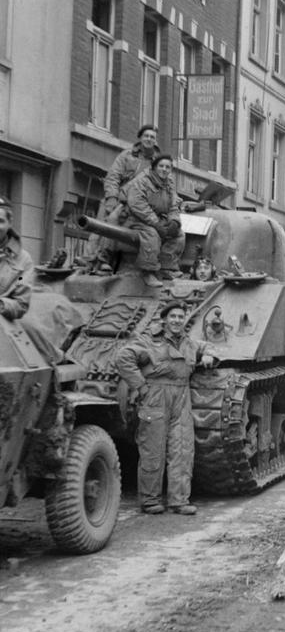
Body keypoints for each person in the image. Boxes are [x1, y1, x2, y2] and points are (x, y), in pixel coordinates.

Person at [116, 300, 214, 515]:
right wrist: (140, 386)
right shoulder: (149, 340)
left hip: (181, 396)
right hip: (155, 396)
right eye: (173, 317)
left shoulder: (189, 343)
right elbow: (123, 358)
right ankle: (150, 500)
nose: (177, 320)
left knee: (182, 449)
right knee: (153, 449)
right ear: (164, 320)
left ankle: (179, 501)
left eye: (181, 317)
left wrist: (207, 354)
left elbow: (206, 347)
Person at [88, 125, 164, 272]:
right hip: (121, 200)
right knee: (103, 224)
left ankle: (107, 258)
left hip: (142, 206)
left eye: (152, 137)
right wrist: (111, 197)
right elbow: (113, 177)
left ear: (155, 141)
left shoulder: (158, 163)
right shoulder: (126, 156)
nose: (149, 139)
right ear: (140, 138)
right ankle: (90, 260)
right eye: (146, 136)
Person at [119, 154, 185, 287]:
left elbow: (174, 205)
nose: (164, 169)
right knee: (152, 235)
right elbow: (137, 204)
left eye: (168, 167)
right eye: (161, 166)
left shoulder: (168, 184)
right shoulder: (142, 181)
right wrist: (155, 223)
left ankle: (167, 267)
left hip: (159, 220)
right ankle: (147, 272)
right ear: (154, 167)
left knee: (179, 234)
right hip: (136, 220)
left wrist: (174, 221)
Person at [0, 198, 33, 320]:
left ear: (10, 223)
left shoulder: (23, 261)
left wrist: (1, 305)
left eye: (0, 221)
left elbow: (20, 304)